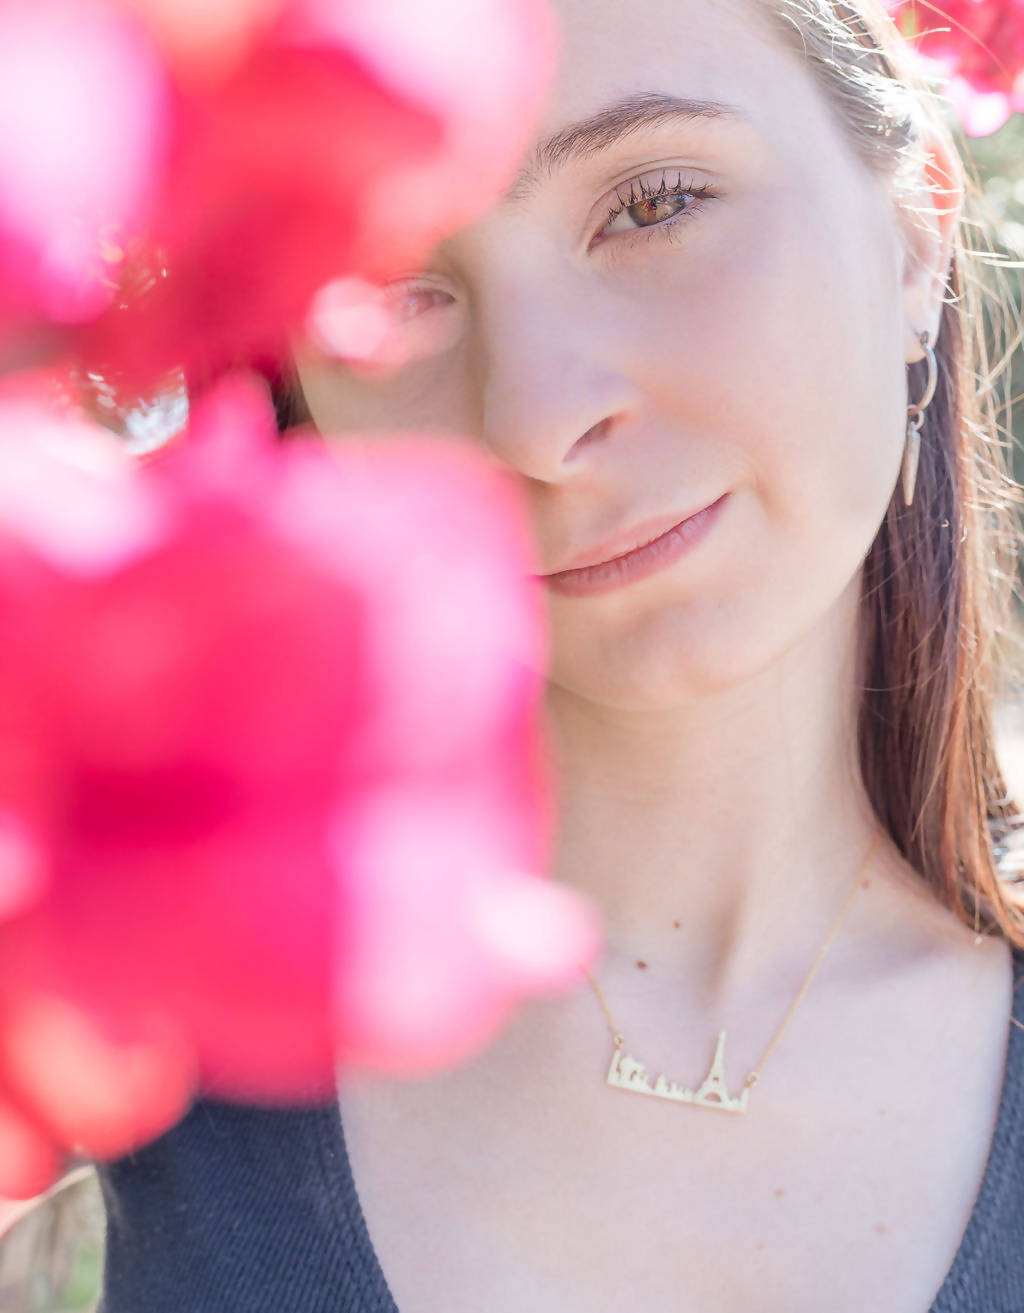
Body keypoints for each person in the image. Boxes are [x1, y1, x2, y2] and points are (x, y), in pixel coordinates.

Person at [94, 0, 1024, 1309]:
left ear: (919, 233)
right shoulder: (128, 989)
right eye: (385, 289)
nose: (536, 412)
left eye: (652, 204)